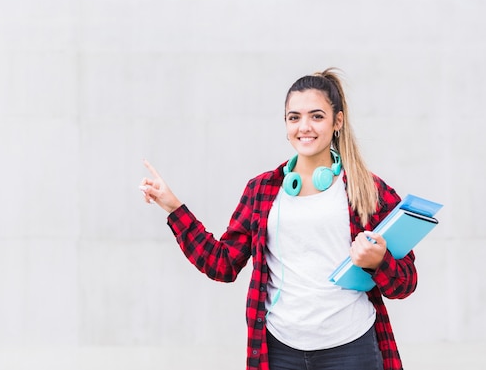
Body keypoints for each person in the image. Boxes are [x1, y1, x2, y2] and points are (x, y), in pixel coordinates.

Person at [139, 68, 417, 370]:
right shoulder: (262, 191)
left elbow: (405, 282)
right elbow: (222, 264)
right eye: (294, 117)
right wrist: (173, 207)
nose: (304, 127)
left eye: (317, 116)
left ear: (337, 121)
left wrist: (379, 261)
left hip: (351, 348)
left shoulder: (368, 189)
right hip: (279, 350)